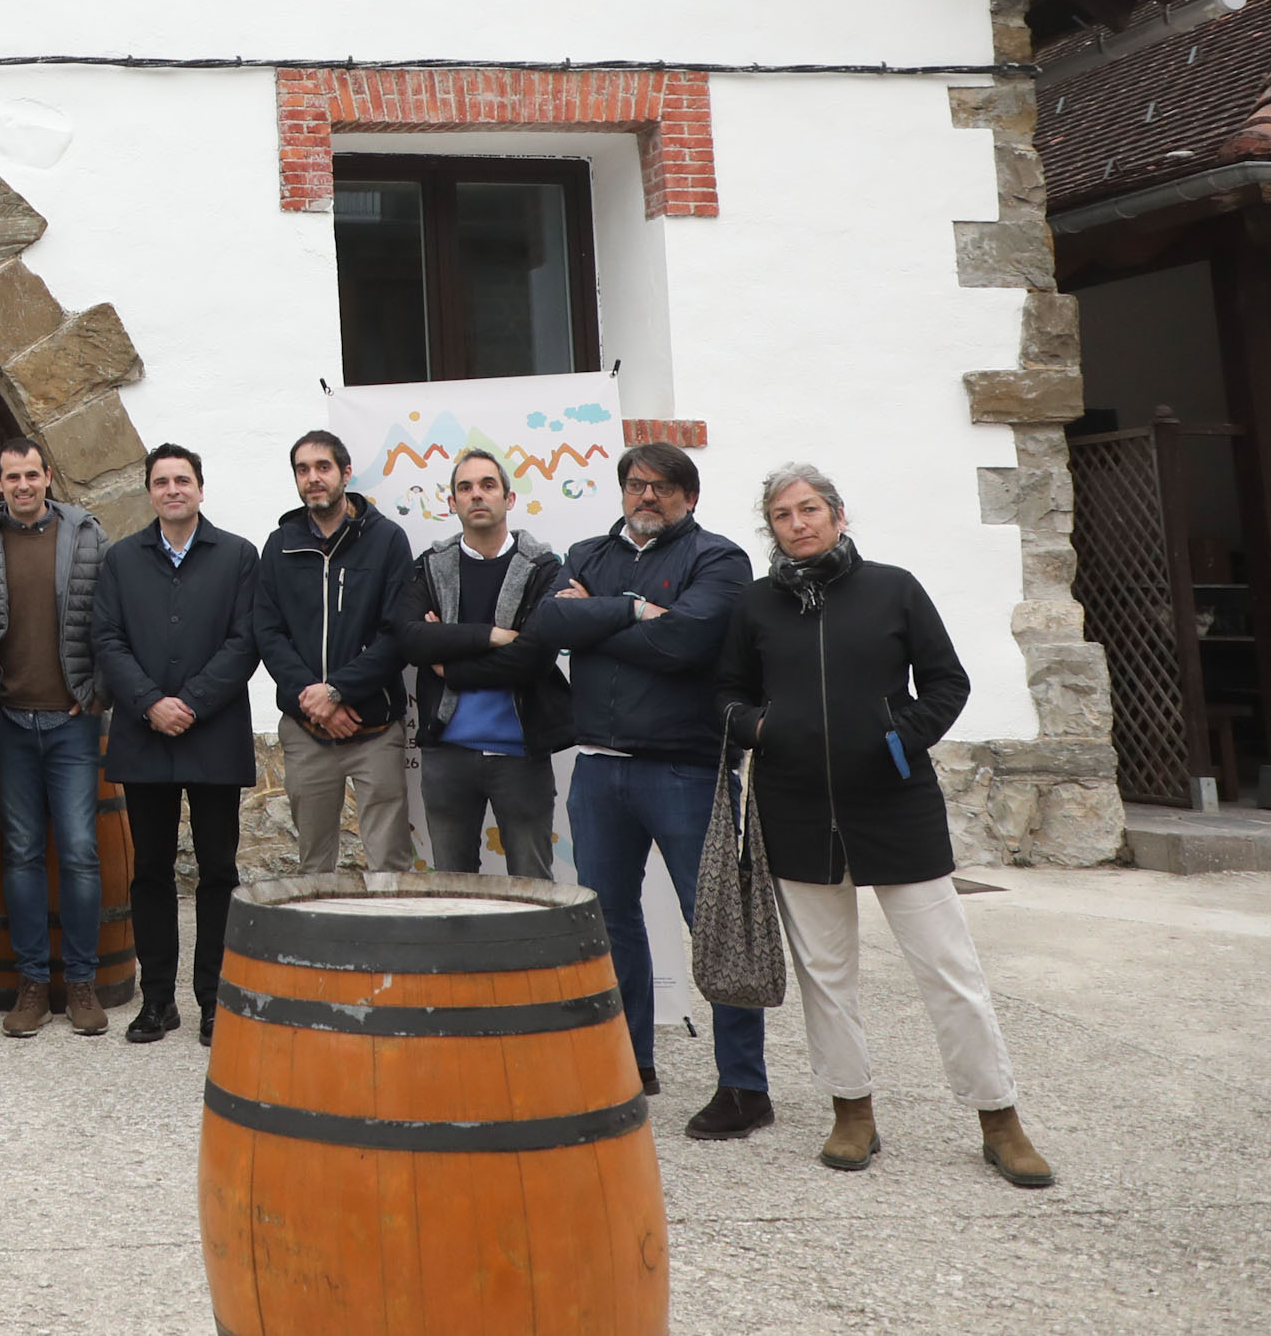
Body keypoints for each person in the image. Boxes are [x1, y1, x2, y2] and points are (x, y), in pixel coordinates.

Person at [718, 464, 1051, 1187]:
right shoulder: (754, 606)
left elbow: (946, 683)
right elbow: (727, 697)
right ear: (770, 528)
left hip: (896, 807)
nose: (798, 523)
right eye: (782, 514)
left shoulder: (893, 588)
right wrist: (762, 728)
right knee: (827, 978)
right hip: (797, 810)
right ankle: (852, 1112)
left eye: (810, 509)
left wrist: (900, 737)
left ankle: (1000, 1120)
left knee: (950, 971)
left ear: (837, 515)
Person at [515, 439, 769, 1140]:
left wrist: (596, 621)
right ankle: (631, 1062)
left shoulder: (718, 558)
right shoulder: (587, 555)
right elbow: (546, 626)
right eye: (635, 484)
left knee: (710, 921)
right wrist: (633, 612)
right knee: (610, 921)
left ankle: (745, 1086)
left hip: (685, 767)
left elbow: (686, 645)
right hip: (598, 768)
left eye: (662, 486)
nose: (646, 496)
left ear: (688, 495)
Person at [92, 444, 262, 1046]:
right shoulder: (121, 560)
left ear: (200, 488)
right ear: (149, 492)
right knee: (152, 874)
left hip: (213, 733)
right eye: (161, 481)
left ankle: (214, 1001)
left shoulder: (239, 556)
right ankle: (157, 1000)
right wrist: (149, 703)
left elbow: (246, 641)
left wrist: (189, 702)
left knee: (218, 870)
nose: (172, 490)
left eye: (182, 480)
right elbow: (107, 640)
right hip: (145, 736)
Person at [0, 438, 111, 1037]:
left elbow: (108, 619)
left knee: (78, 852)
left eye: (33, 474)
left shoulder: (87, 534)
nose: (23, 485)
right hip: (9, 725)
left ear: (49, 476)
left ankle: (81, 982)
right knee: (19, 854)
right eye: (12, 476)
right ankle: (30, 984)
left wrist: (97, 692)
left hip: (72, 722)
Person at [391, 451, 570, 880]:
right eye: (465, 488)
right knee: (454, 888)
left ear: (509, 498)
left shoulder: (544, 568)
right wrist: (488, 636)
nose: (477, 495)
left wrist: (450, 666)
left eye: (488, 485)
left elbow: (534, 657)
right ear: (451, 503)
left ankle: (532, 952)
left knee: (533, 887)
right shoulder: (431, 566)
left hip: (520, 754)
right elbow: (408, 637)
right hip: (447, 755)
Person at [247, 430, 416, 881]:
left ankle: (393, 945)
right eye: (303, 470)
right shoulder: (280, 544)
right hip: (307, 731)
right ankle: (317, 949)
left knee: (389, 862)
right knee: (313, 865)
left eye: (322, 467)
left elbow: (398, 634)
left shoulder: (387, 541)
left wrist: (339, 692)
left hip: (374, 727)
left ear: (344, 473)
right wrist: (316, 701)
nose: (313, 478)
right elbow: (268, 631)